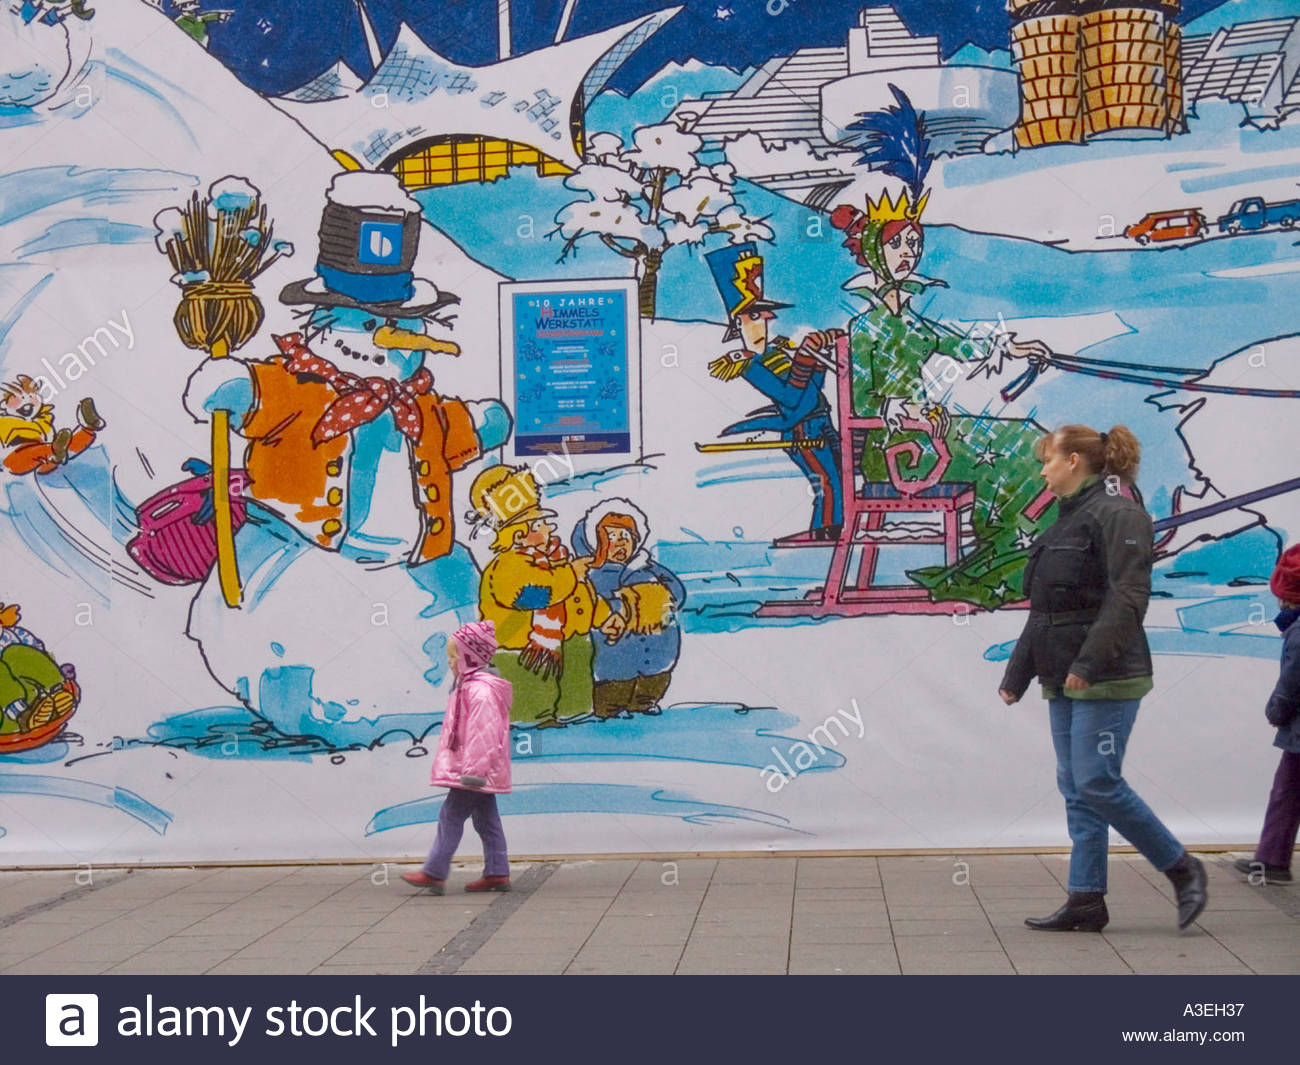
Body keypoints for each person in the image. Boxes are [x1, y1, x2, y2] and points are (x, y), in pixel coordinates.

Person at [999, 424, 1208, 932]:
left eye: (1048, 459)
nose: (1042, 468)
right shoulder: (1064, 522)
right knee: (1076, 786)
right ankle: (1086, 899)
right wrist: (1018, 674)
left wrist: (1088, 665)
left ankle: (1181, 867)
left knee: (1096, 779)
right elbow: (1044, 611)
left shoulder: (1120, 513)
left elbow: (1129, 597)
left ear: (1074, 462)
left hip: (1106, 675)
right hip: (1062, 675)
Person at [830, 193, 1052, 607]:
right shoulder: (863, 327)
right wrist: (903, 411)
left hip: (930, 436)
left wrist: (1014, 348)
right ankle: (1006, 563)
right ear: (876, 253)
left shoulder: (913, 321)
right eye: (897, 245)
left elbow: (961, 345)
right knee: (1012, 446)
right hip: (895, 451)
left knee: (1028, 439)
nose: (908, 254)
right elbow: (862, 403)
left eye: (914, 245)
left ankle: (1026, 551)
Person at [704, 241, 844, 541]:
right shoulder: (749, 364)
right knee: (826, 483)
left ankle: (835, 532)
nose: (762, 324)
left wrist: (818, 358)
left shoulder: (776, 351)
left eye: (763, 316)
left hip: (820, 421)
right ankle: (825, 534)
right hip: (802, 430)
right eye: (752, 317)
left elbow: (813, 389)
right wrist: (808, 359)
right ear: (736, 324)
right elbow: (792, 398)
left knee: (839, 479)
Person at [403, 620, 513, 894]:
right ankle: (497, 871)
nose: (450, 661)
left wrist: (473, 772)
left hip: (474, 770)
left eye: (454, 656)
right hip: (477, 768)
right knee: (486, 819)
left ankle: (434, 872)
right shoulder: (468, 685)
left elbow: (484, 735)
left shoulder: (480, 691)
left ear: (470, 657)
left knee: (450, 814)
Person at [1233, 543, 1300, 885]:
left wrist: (1275, 710)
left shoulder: (1297, 632)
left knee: (1287, 792)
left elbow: (1291, 682)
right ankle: (1272, 859)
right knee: (1287, 790)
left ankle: (1273, 860)